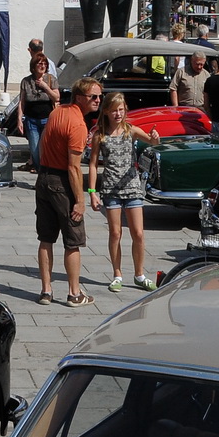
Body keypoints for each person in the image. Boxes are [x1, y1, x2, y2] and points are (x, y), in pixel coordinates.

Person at [36, 77, 98, 307]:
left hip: (43, 178)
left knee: (45, 239)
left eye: (100, 96)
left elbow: (43, 143)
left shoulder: (57, 112)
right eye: (93, 97)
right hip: (61, 182)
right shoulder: (78, 124)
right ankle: (74, 293)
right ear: (80, 97)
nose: (98, 100)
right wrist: (80, 201)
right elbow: (73, 167)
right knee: (73, 241)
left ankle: (46, 291)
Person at [88, 91, 154, 291]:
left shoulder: (130, 130)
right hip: (110, 190)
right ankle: (117, 274)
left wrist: (154, 137)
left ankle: (139, 274)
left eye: (121, 110)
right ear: (106, 111)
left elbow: (152, 141)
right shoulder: (100, 135)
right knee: (115, 233)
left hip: (132, 188)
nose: (118, 114)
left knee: (138, 234)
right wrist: (92, 191)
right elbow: (92, 165)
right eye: (114, 110)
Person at [17, 50, 57, 172]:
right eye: (39, 64)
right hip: (31, 120)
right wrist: (19, 119)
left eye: (44, 64)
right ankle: (41, 174)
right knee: (35, 150)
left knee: (45, 150)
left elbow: (57, 97)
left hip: (47, 120)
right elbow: (22, 102)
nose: (42, 66)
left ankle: (42, 176)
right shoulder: (26, 81)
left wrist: (45, 87)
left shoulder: (51, 79)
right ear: (33, 67)